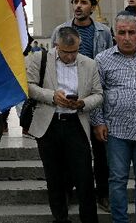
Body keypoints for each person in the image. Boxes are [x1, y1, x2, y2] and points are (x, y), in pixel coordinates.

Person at [90, 14, 136, 223]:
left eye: (131, 32)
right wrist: (98, 121)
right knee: (117, 179)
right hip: (115, 131)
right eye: (121, 32)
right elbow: (97, 92)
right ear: (114, 34)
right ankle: (119, 220)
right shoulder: (102, 59)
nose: (127, 37)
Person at [27, 27, 103, 223]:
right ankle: (60, 218)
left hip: (76, 124)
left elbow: (98, 94)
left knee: (84, 177)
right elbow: (29, 86)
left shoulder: (89, 64)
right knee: (54, 178)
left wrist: (82, 103)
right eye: (65, 52)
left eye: (74, 52)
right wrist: (52, 96)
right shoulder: (40, 59)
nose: (70, 56)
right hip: (49, 125)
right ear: (56, 47)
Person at [50, 0, 114, 212]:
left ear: (92, 7)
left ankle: (103, 192)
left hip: (93, 96)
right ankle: (67, 191)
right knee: (67, 152)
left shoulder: (104, 32)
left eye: (84, 2)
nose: (78, 6)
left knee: (100, 149)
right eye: (75, 1)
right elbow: (52, 64)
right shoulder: (60, 30)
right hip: (67, 99)